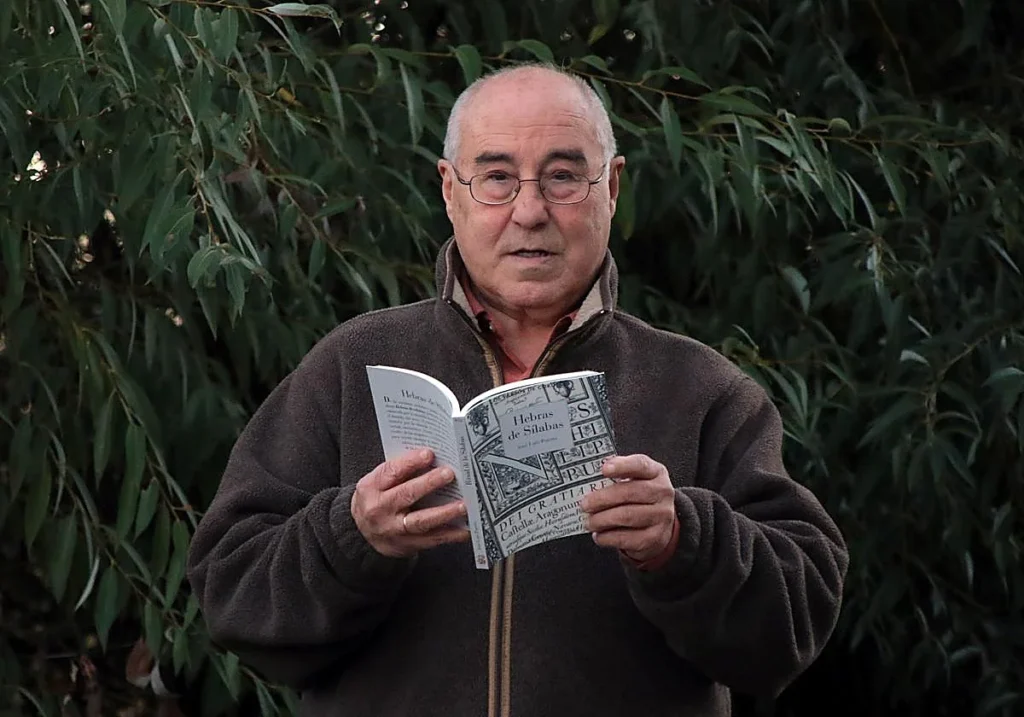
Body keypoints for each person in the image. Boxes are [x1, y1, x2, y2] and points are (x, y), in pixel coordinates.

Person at [187, 63, 849, 717]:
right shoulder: (352, 363)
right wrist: (352, 538)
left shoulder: (700, 388)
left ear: (612, 187)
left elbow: (795, 627)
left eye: (562, 176)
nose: (529, 212)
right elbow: (231, 592)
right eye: (497, 178)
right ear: (450, 190)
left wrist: (682, 543)